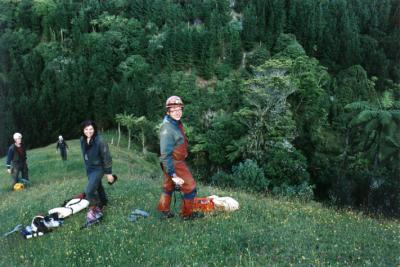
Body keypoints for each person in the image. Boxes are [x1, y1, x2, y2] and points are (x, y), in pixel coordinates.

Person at [157, 96, 203, 220]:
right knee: (190, 187)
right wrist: (173, 175)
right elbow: (165, 155)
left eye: (179, 109)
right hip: (174, 163)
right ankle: (187, 215)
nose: (178, 112)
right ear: (168, 111)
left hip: (172, 162)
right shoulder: (167, 129)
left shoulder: (175, 122)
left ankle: (164, 211)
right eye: (173, 109)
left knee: (168, 187)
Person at [79, 120, 115, 222]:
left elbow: (107, 157)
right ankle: (104, 202)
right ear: (83, 130)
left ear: (94, 129)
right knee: (98, 186)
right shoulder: (82, 139)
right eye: (86, 129)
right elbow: (85, 154)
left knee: (89, 190)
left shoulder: (100, 140)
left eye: (91, 129)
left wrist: (108, 173)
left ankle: (96, 206)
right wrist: (87, 166)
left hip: (99, 168)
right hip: (89, 168)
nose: (88, 131)